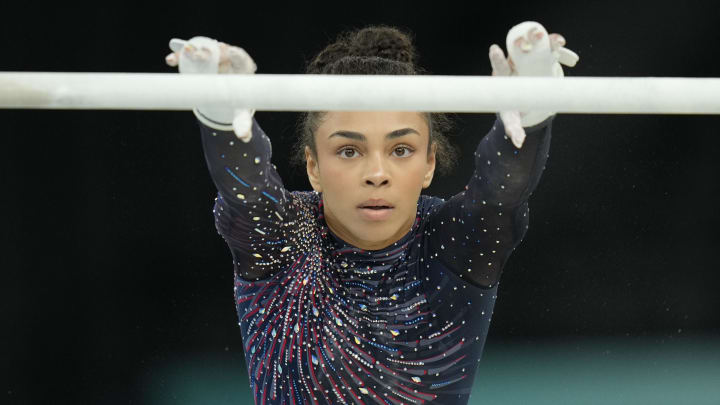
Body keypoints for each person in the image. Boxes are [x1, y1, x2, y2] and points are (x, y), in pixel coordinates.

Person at [165, 22, 578, 405]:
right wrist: (220, 113)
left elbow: (500, 190)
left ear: (429, 163)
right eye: (349, 150)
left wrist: (529, 112)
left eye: (401, 150)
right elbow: (249, 193)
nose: (377, 174)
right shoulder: (284, 240)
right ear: (313, 167)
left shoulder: (453, 243)